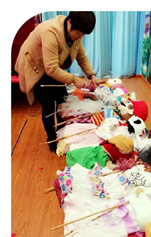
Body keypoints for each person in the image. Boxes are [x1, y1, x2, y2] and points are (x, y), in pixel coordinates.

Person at [15, 12, 98, 148]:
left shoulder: (75, 32)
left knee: (62, 100)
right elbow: (51, 69)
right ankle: (53, 141)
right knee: (48, 105)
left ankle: (62, 134)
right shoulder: (51, 32)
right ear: (69, 22)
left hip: (51, 66)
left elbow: (81, 56)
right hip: (35, 67)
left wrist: (91, 75)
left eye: (82, 35)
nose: (80, 37)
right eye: (78, 34)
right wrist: (74, 79)